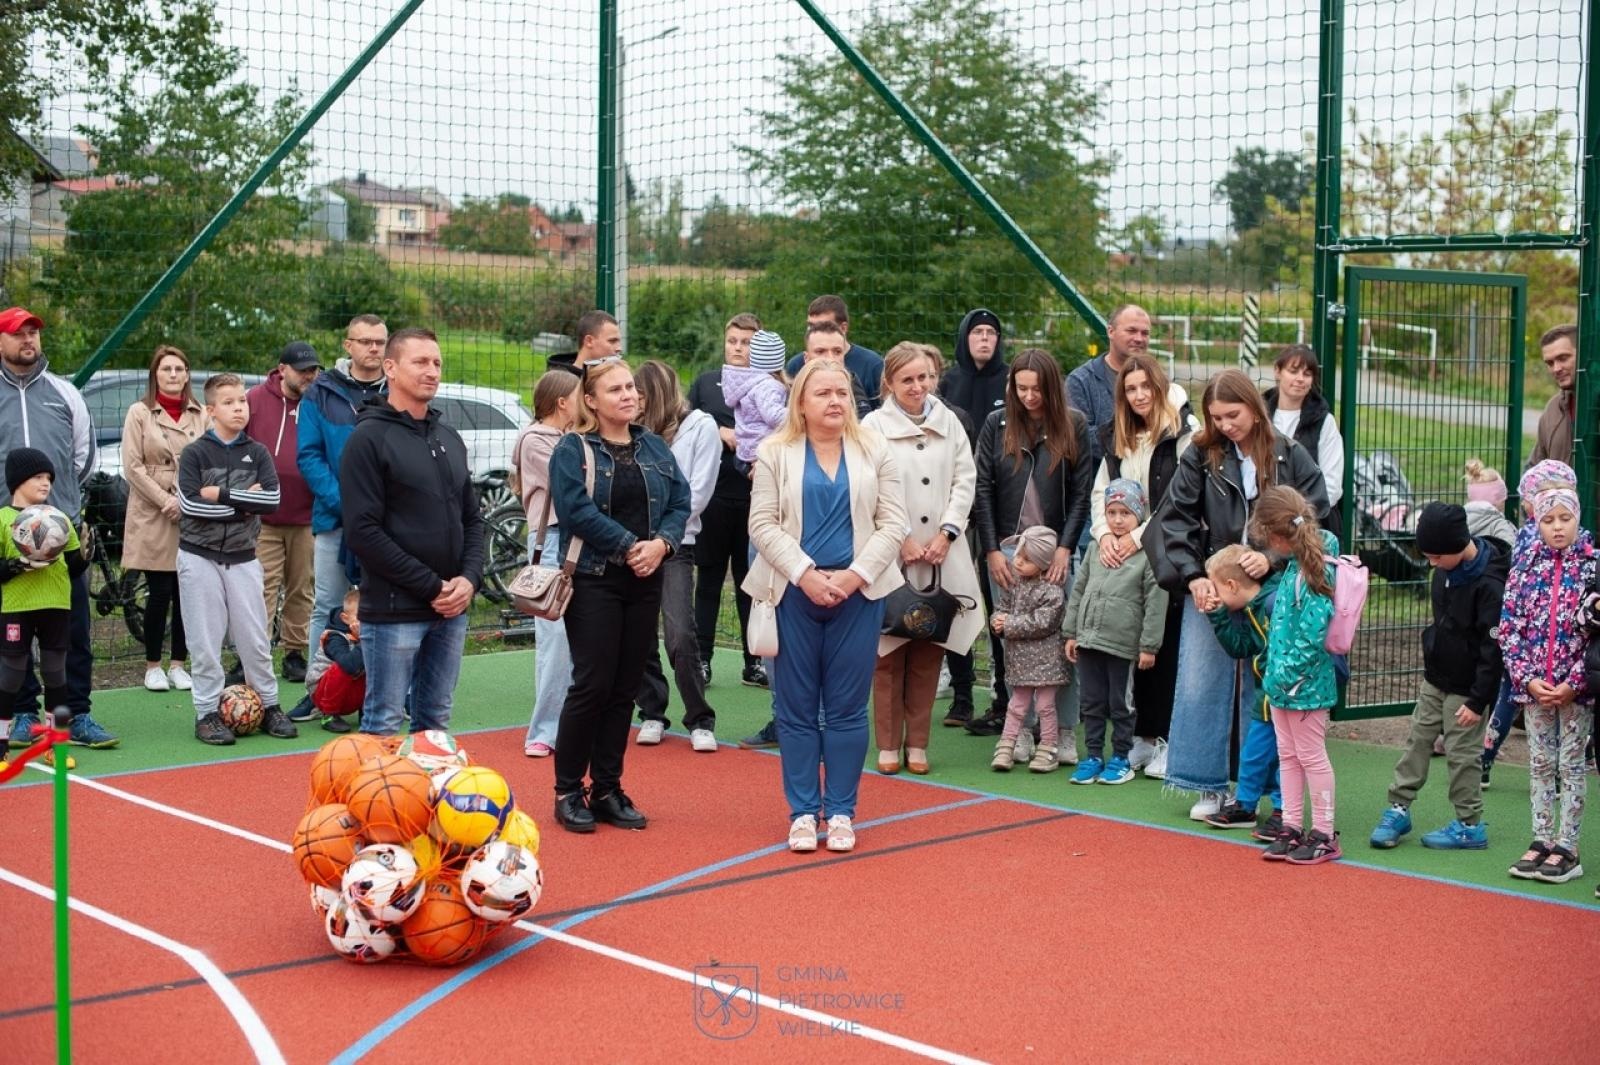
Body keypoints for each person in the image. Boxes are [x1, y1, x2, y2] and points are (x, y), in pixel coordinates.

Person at [744, 359, 906, 854]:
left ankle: (839, 811)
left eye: (843, 392)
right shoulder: (775, 453)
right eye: (823, 393)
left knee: (846, 709)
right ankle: (801, 813)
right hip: (793, 594)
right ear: (801, 402)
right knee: (793, 709)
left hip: (858, 596)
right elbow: (763, 525)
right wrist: (806, 575)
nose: (836, 401)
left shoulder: (876, 449)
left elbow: (893, 524)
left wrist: (855, 577)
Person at [1153, 368, 1329, 819]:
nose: (1225, 425)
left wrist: (1272, 558)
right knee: (1199, 679)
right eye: (1216, 417)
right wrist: (1193, 575)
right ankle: (1206, 783)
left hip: (1273, 586)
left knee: (1266, 689)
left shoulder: (1291, 455)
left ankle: (1268, 791)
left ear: (1254, 408)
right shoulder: (1201, 453)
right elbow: (1175, 517)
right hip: (1214, 576)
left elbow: (1314, 518)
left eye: (1233, 415)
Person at [548, 356, 689, 833]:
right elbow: (574, 511)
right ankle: (568, 790)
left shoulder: (653, 447)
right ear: (590, 400)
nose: (629, 395)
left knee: (626, 686)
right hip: (594, 578)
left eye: (631, 388)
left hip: (644, 578)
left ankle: (607, 787)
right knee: (592, 683)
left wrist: (663, 544)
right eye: (616, 390)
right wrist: (631, 545)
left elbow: (679, 501)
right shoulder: (573, 449)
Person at [340, 328, 485, 736]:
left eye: (437, 363)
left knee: (434, 725)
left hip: (451, 610)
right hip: (393, 611)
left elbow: (473, 520)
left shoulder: (449, 438)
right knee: (383, 724)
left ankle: (426, 801)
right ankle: (374, 803)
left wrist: (468, 581)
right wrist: (431, 586)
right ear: (390, 367)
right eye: (420, 362)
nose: (432, 371)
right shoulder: (368, 439)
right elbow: (363, 532)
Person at [862, 342, 983, 775]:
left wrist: (949, 532)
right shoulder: (873, 426)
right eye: (908, 379)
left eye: (925, 377)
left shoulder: (948, 421)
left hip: (941, 553)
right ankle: (888, 744)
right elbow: (870, 488)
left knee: (930, 645)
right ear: (890, 383)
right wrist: (902, 539)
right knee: (889, 648)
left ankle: (918, 744)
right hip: (891, 554)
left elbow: (965, 479)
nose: (919, 386)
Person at [0, 307, 117, 750]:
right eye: (18, 333)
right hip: (5, 537)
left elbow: (83, 459)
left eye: (33, 332)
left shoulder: (64, 393)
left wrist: (56, 512)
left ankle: (77, 715)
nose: (28, 339)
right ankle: (25, 711)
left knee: (70, 630)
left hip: (59, 533)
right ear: (1, 342)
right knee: (12, 634)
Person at [968, 349, 1093, 751]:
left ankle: (1065, 730)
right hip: (1006, 549)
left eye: (1036, 389)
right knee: (1012, 639)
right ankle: (1018, 728)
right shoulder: (996, 423)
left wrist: (1065, 547)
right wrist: (990, 549)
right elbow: (982, 489)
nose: (1028, 396)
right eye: (1021, 388)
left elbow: (1081, 495)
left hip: (1054, 549)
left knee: (1061, 638)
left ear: (1052, 388)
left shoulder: (1073, 425)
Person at [1368, 502, 1507, 851]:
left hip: (1468, 690)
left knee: (1462, 755)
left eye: (1436, 556)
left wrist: (1478, 701)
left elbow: (1493, 652)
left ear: (1459, 545)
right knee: (1418, 739)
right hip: (1436, 678)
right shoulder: (1443, 571)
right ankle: (1399, 808)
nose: (1431, 563)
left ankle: (1470, 824)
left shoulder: (1490, 586)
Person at [176, 374, 296, 746]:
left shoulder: (257, 453)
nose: (238, 408)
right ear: (211, 410)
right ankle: (207, 713)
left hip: (244, 558)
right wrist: (243, 503)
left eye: (242, 401)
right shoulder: (195, 453)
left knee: (254, 638)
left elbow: (272, 501)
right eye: (228, 402)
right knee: (205, 640)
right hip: (199, 558)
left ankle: (271, 705)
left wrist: (223, 494)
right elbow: (190, 505)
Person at [1090, 353, 1193, 778]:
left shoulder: (1184, 434)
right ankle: (1143, 737)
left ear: (1159, 386)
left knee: (1164, 648)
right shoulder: (1117, 436)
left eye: (1144, 387)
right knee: (1136, 648)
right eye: (1130, 389)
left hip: (1167, 554)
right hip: (1126, 555)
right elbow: (1101, 492)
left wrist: (1132, 538)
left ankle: (1170, 739)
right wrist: (1104, 536)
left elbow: (1177, 501)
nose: (1138, 396)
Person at [1499, 481, 1594, 884]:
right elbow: (1509, 628)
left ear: (1578, 519)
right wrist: (1528, 678)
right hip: (1535, 688)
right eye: (1548, 519)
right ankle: (1541, 840)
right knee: (1539, 764)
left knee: (1571, 766)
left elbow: (1595, 634)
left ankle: (1567, 847)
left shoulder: (1593, 567)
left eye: (1565, 518)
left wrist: (1575, 681)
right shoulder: (1525, 569)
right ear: (1536, 522)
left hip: (1577, 691)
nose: (1557, 527)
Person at [298, 314, 387, 704]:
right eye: (365, 341)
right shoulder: (321, 392)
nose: (373, 349)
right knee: (328, 605)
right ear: (347, 346)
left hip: (387, 523)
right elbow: (309, 456)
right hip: (335, 519)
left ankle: (386, 692)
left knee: (385, 607)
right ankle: (317, 691)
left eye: (380, 342)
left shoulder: (397, 388)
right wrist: (348, 505)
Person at [633, 360, 721, 752]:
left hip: (676, 546)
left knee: (681, 634)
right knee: (636, 634)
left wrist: (661, 534)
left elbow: (696, 494)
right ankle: (652, 711)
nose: (632, 404)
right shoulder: (632, 432)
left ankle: (699, 717)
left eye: (639, 397)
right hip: (632, 545)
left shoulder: (700, 427)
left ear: (656, 398)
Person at [1251, 485, 1342, 865]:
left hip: (1306, 683)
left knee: (1311, 755)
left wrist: (1286, 671)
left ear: (1278, 535)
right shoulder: (1292, 567)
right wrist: (1275, 672)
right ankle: (1291, 824)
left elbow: (1313, 630)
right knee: (1288, 755)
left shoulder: (1318, 565)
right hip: (1284, 683)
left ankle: (1323, 831)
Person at [1063, 479, 1168, 784]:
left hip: (1122, 646)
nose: (1118, 520)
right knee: (1091, 703)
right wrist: (1072, 632)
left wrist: (1149, 645)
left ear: (1139, 516)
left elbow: (1155, 600)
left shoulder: (1147, 554)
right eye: (1112, 512)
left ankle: (1121, 756)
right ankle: (1093, 755)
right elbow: (1079, 591)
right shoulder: (1097, 548)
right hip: (1089, 641)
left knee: (1121, 705)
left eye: (1126, 513)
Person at [120, 344, 205, 695]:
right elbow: (133, 467)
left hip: (191, 512)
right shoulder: (139, 413)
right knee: (159, 592)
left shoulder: (201, 413)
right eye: (166, 369)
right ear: (155, 374)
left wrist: (187, 501)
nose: (173, 374)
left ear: (187, 375)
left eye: (179, 369)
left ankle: (180, 664)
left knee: (187, 592)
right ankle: (153, 665)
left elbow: (209, 459)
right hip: (153, 512)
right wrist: (166, 501)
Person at [687, 313, 767, 688]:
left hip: (756, 498)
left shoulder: (769, 386)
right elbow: (684, 423)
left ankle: (755, 662)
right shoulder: (705, 384)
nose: (738, 348)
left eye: (746, 342)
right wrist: (718, 430)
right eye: (733, 340)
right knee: (709, 581)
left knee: (750, 582)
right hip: (714, 498)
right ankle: (702, 659)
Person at [936, 309, 1007, 726]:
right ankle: (961, 696)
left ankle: (1002, 695)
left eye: (991, 333)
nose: (985, 339)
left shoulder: (1010, 381)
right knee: (956, 599)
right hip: (955, 509)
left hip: (998, 509)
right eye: (977, 332)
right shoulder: (949, 382)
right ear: (965, 337)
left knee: (997, 600)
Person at [246, 341, 321, 701]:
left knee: (301, 588)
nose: (309, 375)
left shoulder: (318, 401)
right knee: (261, 587)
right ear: (282, 369)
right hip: (264, 516)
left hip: (306, 514)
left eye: (313, 369)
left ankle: (294, 651)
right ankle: (255, 655)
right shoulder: (254, 400)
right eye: (303, 369)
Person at [0, 450, 88, 747]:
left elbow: (73, 567)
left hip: (55, 603)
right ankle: (1, 748)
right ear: (17, 481)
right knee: (11, 674)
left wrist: (85, 557)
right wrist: (11, 567)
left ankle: (55, 746)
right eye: (38, 477)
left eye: (49, 477)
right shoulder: (3, 519)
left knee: (55, 674)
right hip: (17, 605)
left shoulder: (58, 519)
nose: (45, 483)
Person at [515, 371, 581, 757]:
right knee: (554, 639)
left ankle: (577, 723)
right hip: (551, 543)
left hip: (581, 541)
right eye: (579, 396)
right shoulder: (536, 440)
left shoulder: (572, 439)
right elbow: (573, 479)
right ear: (561, 402)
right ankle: (544, 730)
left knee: (583, 637)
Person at [1199, 545, 1284, 841]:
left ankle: (1284, 812)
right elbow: (1241, 647)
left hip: (1286, 695)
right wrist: (1219, 615)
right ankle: (1246, 805)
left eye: (1218, 590)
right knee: (1255, 753)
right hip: (1267, 696)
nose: (1215, 596)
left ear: (1233, 585)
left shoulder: (1274, 601)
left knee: (1285, 756)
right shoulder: (1253, 609)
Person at [989, 526, 1068, 772]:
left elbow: (1044, 622)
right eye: (1018, 556)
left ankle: (1048, 748)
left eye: (1025, 559)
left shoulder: (1053, 590)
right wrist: (997, 620)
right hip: (1020, 659)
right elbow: (1002, 606)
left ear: (1043, 563)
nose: (1017, 562)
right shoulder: (1013, 584)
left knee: (1045, 705)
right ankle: (1006, 746)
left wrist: (1008, 623)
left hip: (1047, 661)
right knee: (1016, 704)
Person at [1067, 303, 1161, 473]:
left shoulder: (1159, 380)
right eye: (1131, 331)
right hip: (1097, 487)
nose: (1139, 338)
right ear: (1111, 331)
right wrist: (1137, 435)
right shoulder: (1080, 381)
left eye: (1145, 333)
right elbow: (1079, 439)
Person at [1262, 344, 1344, 535]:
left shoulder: (1325, 422)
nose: (1300, 379)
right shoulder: (1259, 417)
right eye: (1293, 371)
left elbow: (1331, 487)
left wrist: (1295, 519)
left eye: (1307, 374)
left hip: (1311, 526)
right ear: (1277, 371)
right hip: (1265, 522)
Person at [782, 294, 884, 404]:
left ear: (843, 328)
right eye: (810, 326)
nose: (815, 331)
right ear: (806, 358)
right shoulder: (796, 365)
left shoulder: (872, 365)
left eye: (824, 325)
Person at [725, 329, 789, 471]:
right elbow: (774, 416)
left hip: (745, 451)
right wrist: (800, 412)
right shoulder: (768, 386)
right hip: (759, 454)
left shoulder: (748, 382)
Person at [309, 587, 366, 726]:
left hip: (352, 694)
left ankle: (368, 712)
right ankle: (329, 715)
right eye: (361, 615)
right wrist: (364, 641)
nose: (366, 621)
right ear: (345, 618)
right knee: (341, 667)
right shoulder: (334, 637)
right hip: (323, 694)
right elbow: (349, 665)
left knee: (381, 664)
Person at [1527, 324, 1577, 467]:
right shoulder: (1553, 409)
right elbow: (1535, 468)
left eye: (1563, 358)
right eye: (1550, 363)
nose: (1556, 369)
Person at [548, 309, 623, 378]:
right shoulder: (559, 385)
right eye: (612, 341)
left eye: (619, 341)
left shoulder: (617, 377)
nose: (619, 348)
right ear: (589, 341)